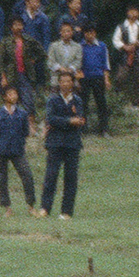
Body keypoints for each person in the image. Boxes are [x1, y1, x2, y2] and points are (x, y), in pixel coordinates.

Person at [41, 67, 86, 219]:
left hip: (72, 143)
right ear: (59, 83)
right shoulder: (53, 100)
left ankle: (66, 211)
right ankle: (45, 208)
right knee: (51, 176)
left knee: (71, 178)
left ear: (72, 83)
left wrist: (70, 122)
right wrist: (68, 121)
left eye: (68, 81)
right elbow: (51, 119)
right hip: (55, 142)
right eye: (63, 81)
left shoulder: (77, 100)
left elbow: (79, 120)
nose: (65, 84)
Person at [0, 84, 38, 215]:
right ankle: (7, 208)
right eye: (10, 94)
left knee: (27, 175)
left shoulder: (22, 114)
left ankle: (31, 206)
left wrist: (20, 141)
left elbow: (25, 132)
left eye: (15, 94)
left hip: (17, 150)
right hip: (1, 151)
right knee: (2, 179)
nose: (14, 96)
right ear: (4, 97)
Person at [79, 24, 113, 134]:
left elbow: (106, 64)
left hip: (98, 77)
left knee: (101, 104)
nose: (89, 35)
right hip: (84, 78)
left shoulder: (102, 46)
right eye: (87, 33)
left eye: (92, 32)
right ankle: (83, 129)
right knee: (83, 104)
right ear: (84, 34)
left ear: (95, 33)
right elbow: (78, 63)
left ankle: (104, 129)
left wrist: (106, 79)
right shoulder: (80, 46)